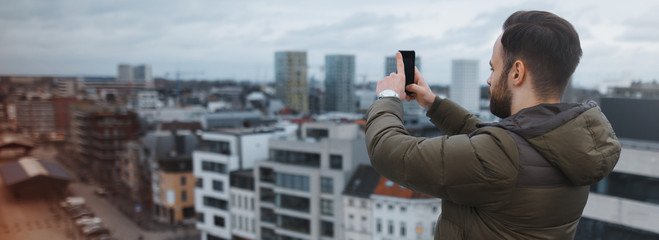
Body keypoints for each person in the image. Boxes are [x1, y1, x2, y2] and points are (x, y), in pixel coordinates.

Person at [365, 10, 621, 239]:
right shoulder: (570, 144)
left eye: (493, 68)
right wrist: (433, 104)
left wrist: (388, 97)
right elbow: (496, 145)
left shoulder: (502, 158)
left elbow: (390, 153)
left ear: (517, 72)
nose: (489, 80)